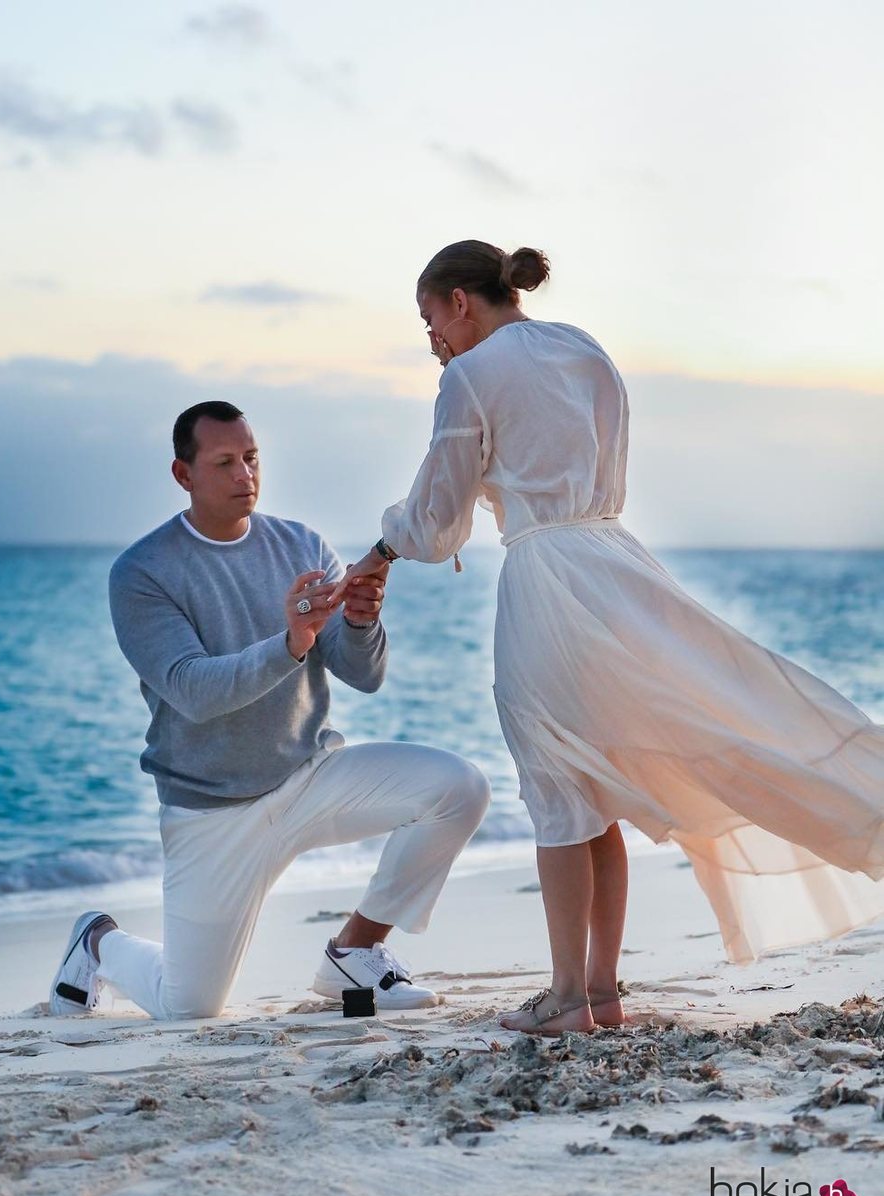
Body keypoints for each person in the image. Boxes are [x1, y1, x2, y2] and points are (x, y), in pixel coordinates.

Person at [334, 239, 884, 1035]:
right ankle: (599, 991)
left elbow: (434, 518)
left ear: (460, 300)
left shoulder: (469, 376)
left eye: (430, 320)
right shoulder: (584, 348)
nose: (433, 342)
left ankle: (567, 996)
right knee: (602, 785)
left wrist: (382, 551)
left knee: (561, 788)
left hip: (547, 581)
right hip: (617, 563)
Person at [47, 400, 490, 1021]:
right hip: (211, 812)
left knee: (460, 788)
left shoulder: (301, 543)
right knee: (189, 1007)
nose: (244, 475)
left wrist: (360, 621)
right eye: (225, 462)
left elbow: (363, 675)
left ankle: (355, 952)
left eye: (251, 458)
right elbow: (192, 690)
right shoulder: (141, 573)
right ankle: (98, 940)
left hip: (309, 779)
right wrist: (291, 643)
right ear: (184, 475)